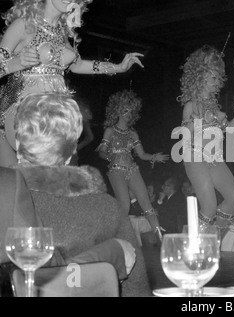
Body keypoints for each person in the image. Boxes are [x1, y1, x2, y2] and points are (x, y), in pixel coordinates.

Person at [14, 93, 151, 297]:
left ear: (18, 146)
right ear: (71, 153)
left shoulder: (7, 196)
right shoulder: (107, 208)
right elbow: (137, 288)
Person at [0, 0, 144, 168]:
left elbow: (78, 65)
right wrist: (17, 62)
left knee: (45, 180)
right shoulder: (25, 24)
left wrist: (118, 67)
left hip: (56, 116)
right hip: (27, 115)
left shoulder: (60, 32)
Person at [177, 45, 234, 234]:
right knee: (209, 206)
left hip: (215, 159)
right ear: (200, 76)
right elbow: (183, 135)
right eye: (213, 76)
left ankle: (211, 240)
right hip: (195, 156)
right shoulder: (191, 105)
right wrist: (200, 120)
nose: (216, 81)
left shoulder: (217, 110)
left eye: (218, 77)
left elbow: (230, 130)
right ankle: (195, 247)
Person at [97, 89, 168, 242]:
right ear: (118, 110)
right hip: (116, 171)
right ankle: (115, 237)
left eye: (131, 111)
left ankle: (160, 237)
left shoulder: (133, 134)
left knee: (146, 203)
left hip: (132, 169)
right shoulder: (110, 131)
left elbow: (142, 155)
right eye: (125, 110)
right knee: (124, 205)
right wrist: (110, 156)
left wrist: (154, 157)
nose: (128, 114)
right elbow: (101, 151)